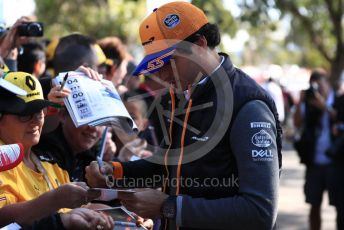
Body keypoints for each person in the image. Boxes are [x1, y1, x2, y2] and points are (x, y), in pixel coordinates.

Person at [86, 2, 282, 230]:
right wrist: (116, 171)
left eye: (168, 61)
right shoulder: (182, 94)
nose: (160, 73)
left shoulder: (247, 105)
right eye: (154, 65)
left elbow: (259, 212)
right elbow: (172, 164)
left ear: (200, 45)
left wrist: (168, 207)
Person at [0, 71, 111, 228]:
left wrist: (121, 216)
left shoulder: (52, 164)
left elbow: (79, 210)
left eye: (38, 112)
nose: (35, 122)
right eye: (24, 115)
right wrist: (54, 200)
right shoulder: (2, 162)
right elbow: (2, 219)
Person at [293, 70, 337, 230]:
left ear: (327, 83)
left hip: (336, 162)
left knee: (340, 206)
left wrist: (323, 106)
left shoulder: (337, 99)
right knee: (314, 205)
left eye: (320, 85)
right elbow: (297, 123)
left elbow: (337, 117)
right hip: (314, 162)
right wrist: (300, 102)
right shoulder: (309, 102)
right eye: (314, 86)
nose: (318, 89)